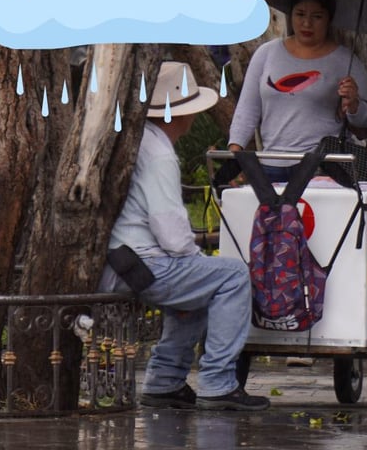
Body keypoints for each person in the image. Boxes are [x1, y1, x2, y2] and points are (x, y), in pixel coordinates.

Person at [98, 60, 270, 411]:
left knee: (201, 282)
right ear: (178, 115)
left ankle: (165, 380)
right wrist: (194, 255)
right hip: (141, 264)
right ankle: (218, 382)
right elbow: (170, 232)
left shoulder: (140, 141)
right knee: (233, 277)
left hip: (122, 260)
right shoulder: (159, 153)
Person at [228, 0, 367, 180]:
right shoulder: (266, 53)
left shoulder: (347, 61)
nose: (307, 23)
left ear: (329, 18)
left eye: (317, 16)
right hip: (270, 164)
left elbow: (365, 123)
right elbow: (247, 109)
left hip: (322, 168)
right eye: (300, 14)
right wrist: (234, 154)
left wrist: (353, 104)